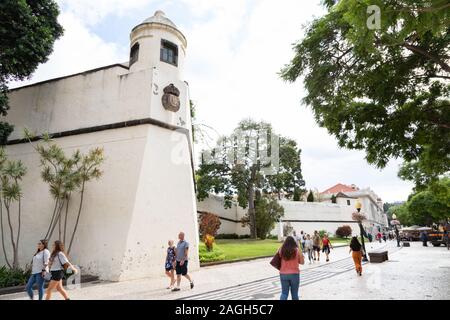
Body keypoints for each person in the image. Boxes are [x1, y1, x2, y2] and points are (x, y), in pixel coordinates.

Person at [277, 236, 304, 300]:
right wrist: (299, 248)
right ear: (294, 242)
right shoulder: (297, 250)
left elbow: (277, 257)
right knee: (294, 294)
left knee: (284, 293)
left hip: (283, 274)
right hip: (294, 274)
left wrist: (283, 245)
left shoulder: (281, 250)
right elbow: (302, 262)